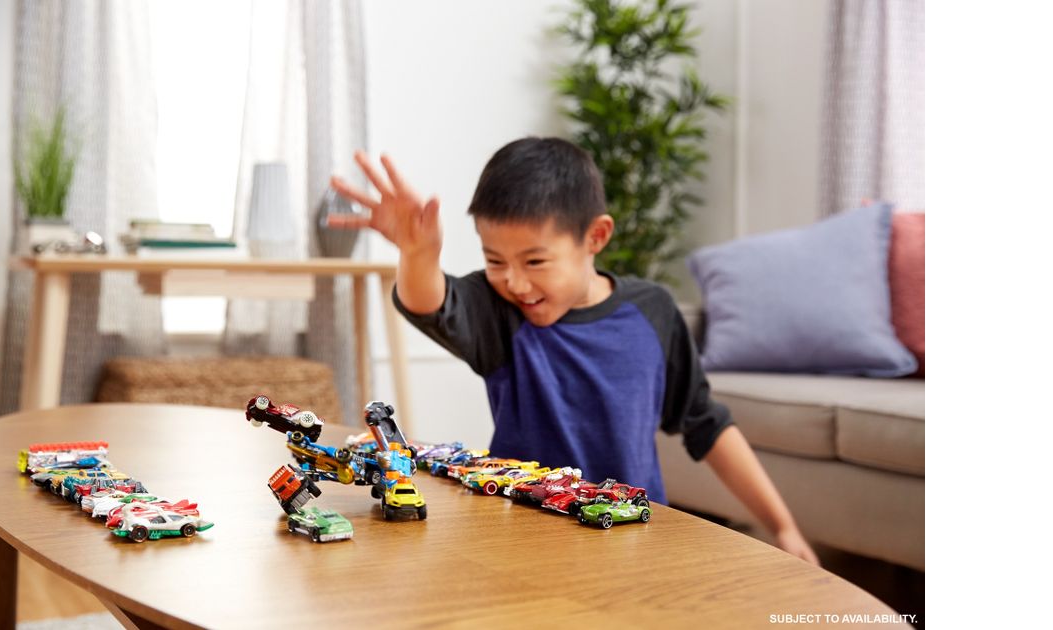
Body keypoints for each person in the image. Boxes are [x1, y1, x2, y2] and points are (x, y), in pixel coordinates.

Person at [329, 137, 819, 565]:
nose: (515, 282)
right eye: (494, 260)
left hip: (630, 537)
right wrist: (419, 253)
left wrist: (782, 526)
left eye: (535, 261)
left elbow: (706, 424)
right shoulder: (501, 313)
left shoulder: (652, 313)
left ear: (595, 237)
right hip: (520, 540)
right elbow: (430, 301)